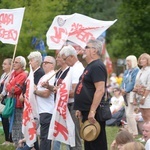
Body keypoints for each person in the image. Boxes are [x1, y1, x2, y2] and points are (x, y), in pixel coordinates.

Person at [74, 39, 108, 150]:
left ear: (95, 50)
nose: (84, 50)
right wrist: (80, 108)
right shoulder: (90, 66)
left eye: (87, 47)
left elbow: (100, 90)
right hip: (87, 110)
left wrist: (92, 111)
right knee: (89, 143)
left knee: (97, 144)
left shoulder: (97, 66)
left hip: (95, 112)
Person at [18, 51, 45, 150]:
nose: (29, 62)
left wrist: (25, 95)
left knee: (34, 128)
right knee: (31, 128)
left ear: (37, 61)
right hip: (27, 104)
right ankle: (32, 145)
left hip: (34, 106)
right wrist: (22, 94)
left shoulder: (40, 73)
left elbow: (33, 89)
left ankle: (32, 146)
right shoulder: (31, 72)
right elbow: (26, 86)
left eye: (31, 60)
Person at [60, 45, 84, 150]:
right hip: (72, 104)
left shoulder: (76, 69)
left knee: (75, 136)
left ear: (71, 57)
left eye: (65, 59)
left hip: (74, 105)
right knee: (72, 135)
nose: (65, 62)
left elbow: (75, 91)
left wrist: (61, 92)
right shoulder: (74, 68)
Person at [34, 56, 56, 150]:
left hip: (47, 110)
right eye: (43, 62)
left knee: (45, 138)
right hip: (41, 110)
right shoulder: (44, 76)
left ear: (52, 65)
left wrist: (35, 91)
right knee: (41, 136)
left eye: (46, 62)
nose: (44, 64)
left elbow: (47, 93)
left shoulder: (52, 75)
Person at [5, 56, 28, 147]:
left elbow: (17, 89)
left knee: (18, 126)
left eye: (16, 62)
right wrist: (10, 86)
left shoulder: (23, 75)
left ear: (22, 64)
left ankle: (20, 145)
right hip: (11, 102)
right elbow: (8, 87)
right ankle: (16, 144)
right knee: (13, 125)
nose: (14, 63)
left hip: (18, 104)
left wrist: (9, 86)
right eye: (14, 62)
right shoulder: (13, 74)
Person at [121, 55, 139, 137]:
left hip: (132, 94)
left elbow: (133, 82)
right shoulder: (127, 71)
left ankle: (135, 132)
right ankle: (130, 131)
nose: (127, 63)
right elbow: (123, 81)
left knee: (129, 114)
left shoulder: (136, 70)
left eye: (129, 61)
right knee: (127, 113)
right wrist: (122, 89)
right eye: (127, 61)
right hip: (125, 94)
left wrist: (126, 90)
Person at [133, 53, 150, 122]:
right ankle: (146, 131)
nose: (141, 60)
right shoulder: (140, 70)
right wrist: (134, 97)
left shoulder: (149, 71)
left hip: (147, 96)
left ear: (148, 60)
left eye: (144, 59)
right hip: (139, 95)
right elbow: (136, 84)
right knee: (143, 115)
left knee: (147, 114)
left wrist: (143, 98)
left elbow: (149, 86)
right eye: (140, 59)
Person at [0, 58, 13, 145]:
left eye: (5, 64)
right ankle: (6, 138)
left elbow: (8, 87)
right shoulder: (3, 74)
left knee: (7, 119)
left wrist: (2, 94)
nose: (3, 65)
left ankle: (10, 139)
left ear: (10, 65)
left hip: (7, 98)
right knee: (3, 118)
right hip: (2, 99)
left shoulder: (11, 75)